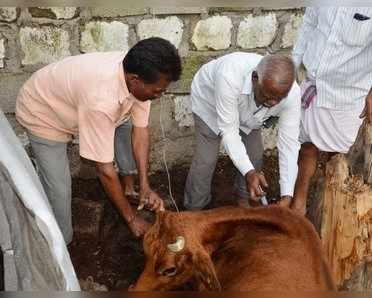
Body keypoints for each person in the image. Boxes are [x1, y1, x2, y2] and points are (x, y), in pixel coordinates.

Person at [15, 37, 182, 243]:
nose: (160, 95)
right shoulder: (101, 100)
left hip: (80, 102)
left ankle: (130, 188)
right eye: (157, 91)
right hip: (42, 111)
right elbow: (104, 169)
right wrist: (131, 219)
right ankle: (59, 243)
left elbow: (141, 132)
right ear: (134, 80)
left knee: (126, 126)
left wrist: (145, 185)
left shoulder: (139, 74)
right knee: (58, 188)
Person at [291, 8, 372, 215]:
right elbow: (310, 23)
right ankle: (298, 205)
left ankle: (336, 212)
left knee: (341, 159)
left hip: (350, 92)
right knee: (306, 147)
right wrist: (292, 64)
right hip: (315, 83)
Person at [184, 52, 301, 210]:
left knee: (254, 155)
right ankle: (194, 209)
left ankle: (244, 201)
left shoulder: (291, 93)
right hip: (210, 104)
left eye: (278, 99)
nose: (273, 103)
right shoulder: (229, 75)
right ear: (254, 78)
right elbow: (229, 131)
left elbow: (289, 145)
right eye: (267, 96)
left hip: (248, 113)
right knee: (206, 160)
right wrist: (250, 173)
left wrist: (287, 195)